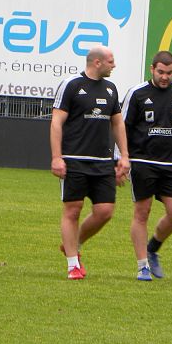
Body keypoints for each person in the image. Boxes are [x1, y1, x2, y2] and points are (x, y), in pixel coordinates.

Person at [50, 45, 130, 280]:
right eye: (111, 61)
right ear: (97, 62)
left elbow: (117, 124)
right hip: (74, 160)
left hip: (103, 162)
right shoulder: (72, 85)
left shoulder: (111, 88)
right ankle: (73, 265)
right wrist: (57, 157)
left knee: (105, 211)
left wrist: (123, 156)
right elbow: (56, 123)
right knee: (72, 210)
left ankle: (73, 244)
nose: (114, 65)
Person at [121, 51, 172, 281]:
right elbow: (121, 127)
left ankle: (153, 248)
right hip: (142, 161)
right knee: (142, 213)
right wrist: (121, 158)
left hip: (171, 163)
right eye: (161, 72)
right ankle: (142, 265)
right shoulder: (137, 93)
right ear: (152, 69)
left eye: (169, 73)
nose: (165, 77)